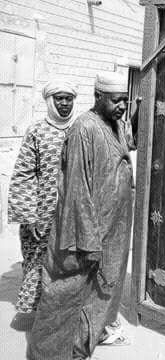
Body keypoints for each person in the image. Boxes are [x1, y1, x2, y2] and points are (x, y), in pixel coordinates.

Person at [27, 72, 138, 360]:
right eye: (116, 100)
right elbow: (76, 189)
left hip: (112, 229)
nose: (122, 106)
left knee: (99, 297)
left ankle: (79, 351)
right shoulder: (84, 129)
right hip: (88, 235)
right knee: (67, 298)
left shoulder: (114, 125)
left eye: (125, 100)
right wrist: (89, 242)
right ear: (98, 97)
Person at [8, 79, 78, 314]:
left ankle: (66, 314)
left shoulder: (80, 130)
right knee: (40, 260)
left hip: (74, 212)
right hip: (43, 213)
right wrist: (29, 216)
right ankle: (42, 317)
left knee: (72, 262)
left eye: (69, 98)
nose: (65, 103)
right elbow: (24, 174)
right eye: (59, 98)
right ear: (50, 100)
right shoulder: (37, 131)